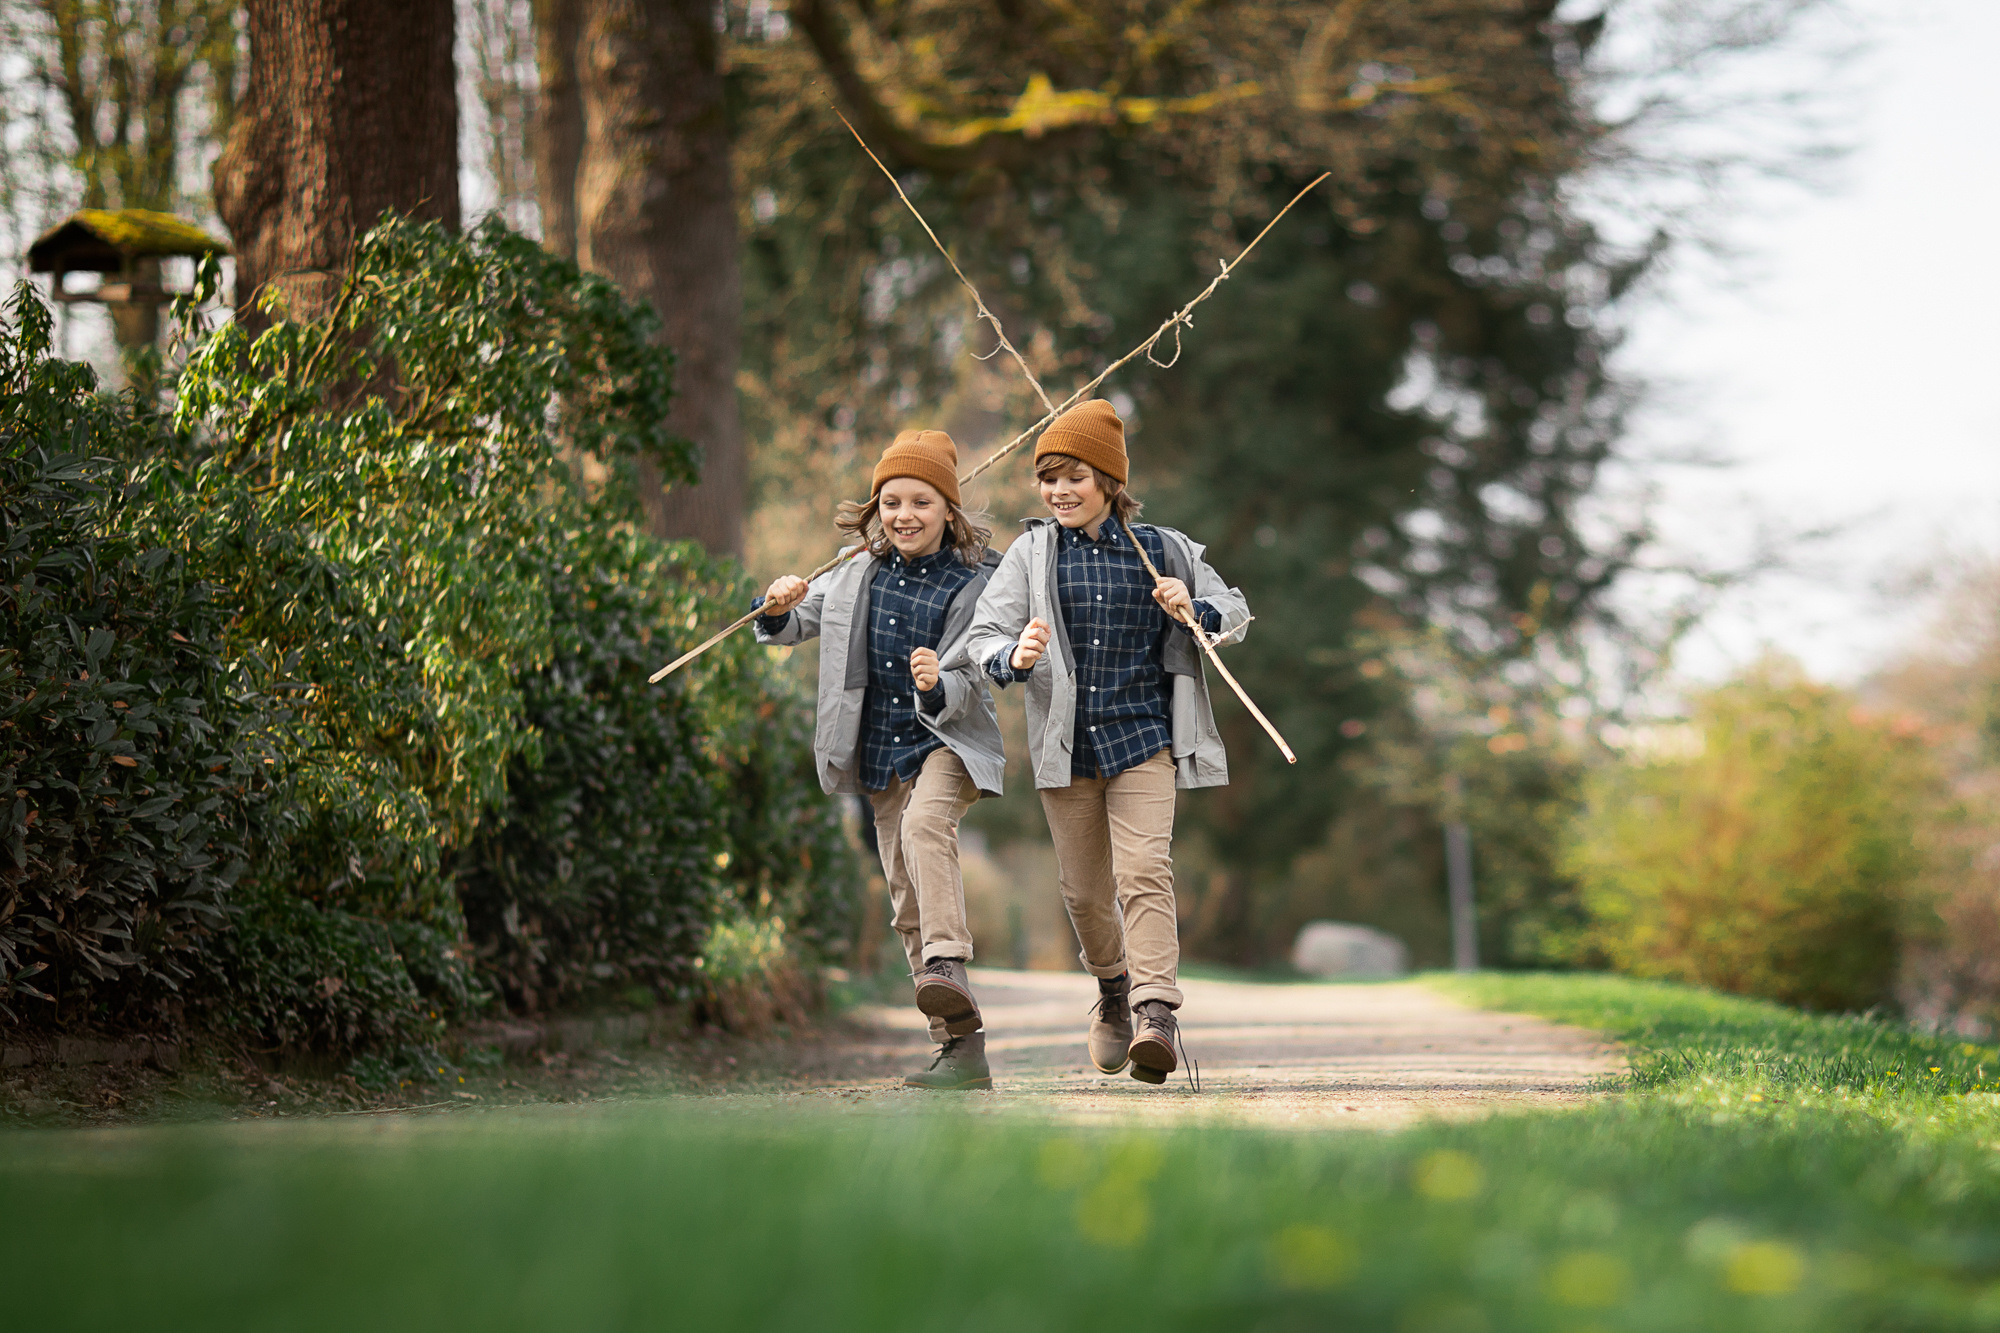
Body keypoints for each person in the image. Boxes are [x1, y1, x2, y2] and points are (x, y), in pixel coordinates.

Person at [962, 399, 1248, 1085]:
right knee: (1086, 894)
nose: (1059, 492)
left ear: (1111, 483)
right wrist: (1015, 654)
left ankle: (1157, 1014)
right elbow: (981, 637)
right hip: (1067, 747)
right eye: (1049, 479)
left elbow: (1232, 609)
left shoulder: (1166, 550)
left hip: (1143, 737)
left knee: (1144, 871)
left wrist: (1195, 606)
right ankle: (1114, 989)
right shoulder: (1033, 553)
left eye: (1075, 478)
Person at [754, 429, 1004, 1091]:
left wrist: (938, 677)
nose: (904, 514)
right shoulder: (852, 568)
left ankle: (946, 965)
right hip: (879, 749)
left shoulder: (979, 580)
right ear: (875, 509)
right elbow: (796, 621)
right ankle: (960, 1051)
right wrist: (775, 605)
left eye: (921, 500)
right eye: (891, 500)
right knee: (904, 902)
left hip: (947, 738)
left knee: (928, 826)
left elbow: (985, 666)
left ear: (949, 510)